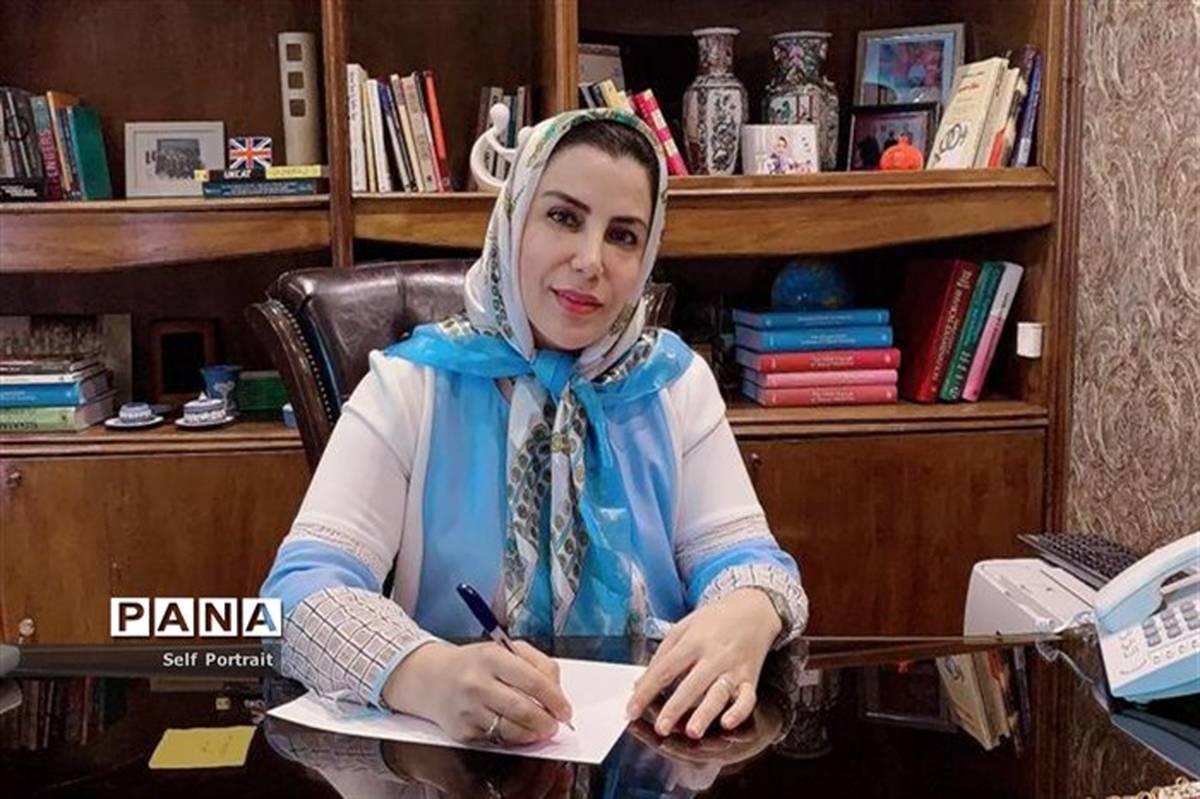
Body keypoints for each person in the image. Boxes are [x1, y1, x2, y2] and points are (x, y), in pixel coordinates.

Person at [261, 108, 808, 748]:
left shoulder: (672, 382)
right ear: (514, 218)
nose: (590, 261)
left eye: (623, 235)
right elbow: (296, 596)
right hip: (463, 758)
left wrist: (751, 609)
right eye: (564, 218)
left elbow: (746, 558)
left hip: (654, 746)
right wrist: (425, 673)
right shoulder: (411, 384)